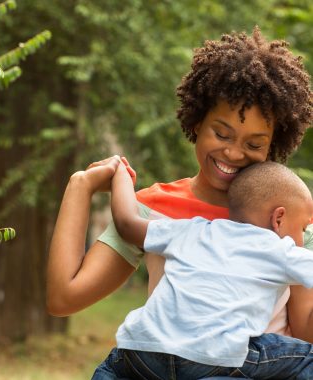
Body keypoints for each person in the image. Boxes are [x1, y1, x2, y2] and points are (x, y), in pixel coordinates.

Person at [46, 27, 313, 378]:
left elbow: (305, 334)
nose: (233, 152)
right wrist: (79, 186)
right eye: (221, 133)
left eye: (254, 144)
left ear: (273, 145)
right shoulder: (155, 209)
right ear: (197, 121)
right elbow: (64, 298)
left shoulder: (287, 220)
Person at [103, 159, 313, 379]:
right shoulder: (281, 250)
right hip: (212, 358)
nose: (303, 238)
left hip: (143, 351)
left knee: (111, 367)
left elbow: (126, 224)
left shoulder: (192, 229)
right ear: (278, 218)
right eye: (302, 228)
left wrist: (121, 175)